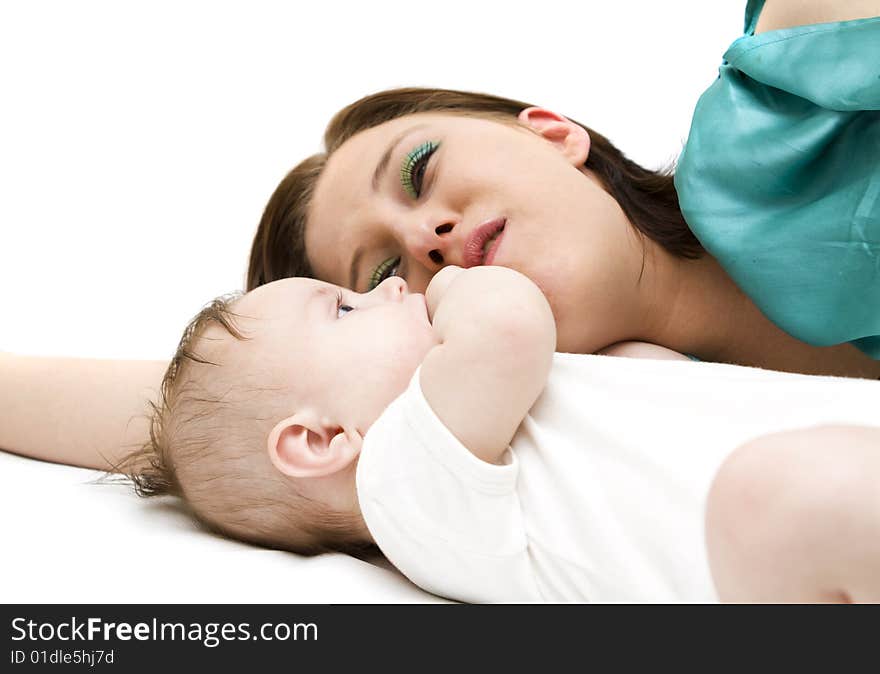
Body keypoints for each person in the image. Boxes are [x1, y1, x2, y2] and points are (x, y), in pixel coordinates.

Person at [2, 0, 877, 473]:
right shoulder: (578, 428)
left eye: (420, 168)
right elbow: (214, 405)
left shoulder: (782, 102)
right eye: (382, 270)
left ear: (552, 130)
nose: (427, 235)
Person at [115, 264, 880, 602]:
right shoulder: (402, 486)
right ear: (320, 441)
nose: (392, 284)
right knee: (785, 495)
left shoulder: (486, 443)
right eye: (346, 308)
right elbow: (508, 325)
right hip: (813, 540)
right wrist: (455, 282)